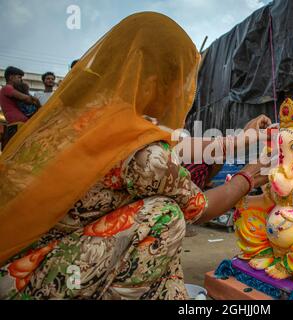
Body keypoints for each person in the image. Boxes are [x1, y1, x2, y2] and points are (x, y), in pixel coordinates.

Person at [0, 12, 269, 300]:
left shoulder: (89, 119)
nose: (184, 90)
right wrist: (249, 176)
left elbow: (180, 143)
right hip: (33, 280)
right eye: (180, 80)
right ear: (153, 82)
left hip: (22, 259)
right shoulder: (146, 155)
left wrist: (245, 138)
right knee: (165, 216)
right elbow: (199, 207)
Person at [0, 66, 40, 149]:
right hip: (17, 125)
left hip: (18, 125)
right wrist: (35, 100)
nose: (21, 80)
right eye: (19, 77)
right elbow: (26, 98)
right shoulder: (7, 88)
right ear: (11, 77)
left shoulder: (7, 89)